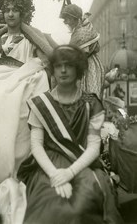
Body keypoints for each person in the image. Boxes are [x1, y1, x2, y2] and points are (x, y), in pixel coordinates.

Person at [0, 0, 57, 222]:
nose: (10, 14)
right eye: (7, 10)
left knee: (10, 94)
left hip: (23, 75)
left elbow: (46, 57)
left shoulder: (31, 37)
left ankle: (16, 161)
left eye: (15, 10)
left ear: (22, 14)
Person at [18, 44, 123, 224]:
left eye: (69, 65)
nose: (63, 70)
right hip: (47, 165)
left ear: (78, 69)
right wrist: (54, 175)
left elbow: (94, 147)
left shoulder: (91, 103)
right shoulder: (40, 103)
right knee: (48, 204)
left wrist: (69, 173)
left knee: (85, 202)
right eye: (58, 66)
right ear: (53, 69)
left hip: (82, 163)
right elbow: (36, 146)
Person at [61, 4, 105, 99]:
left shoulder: (81, 32)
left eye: (67, 19)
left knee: (90, 93)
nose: (66, 22)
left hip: (89, 66)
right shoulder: (81, 29)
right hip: (87, 64)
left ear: (74, 18)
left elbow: (83, 53)